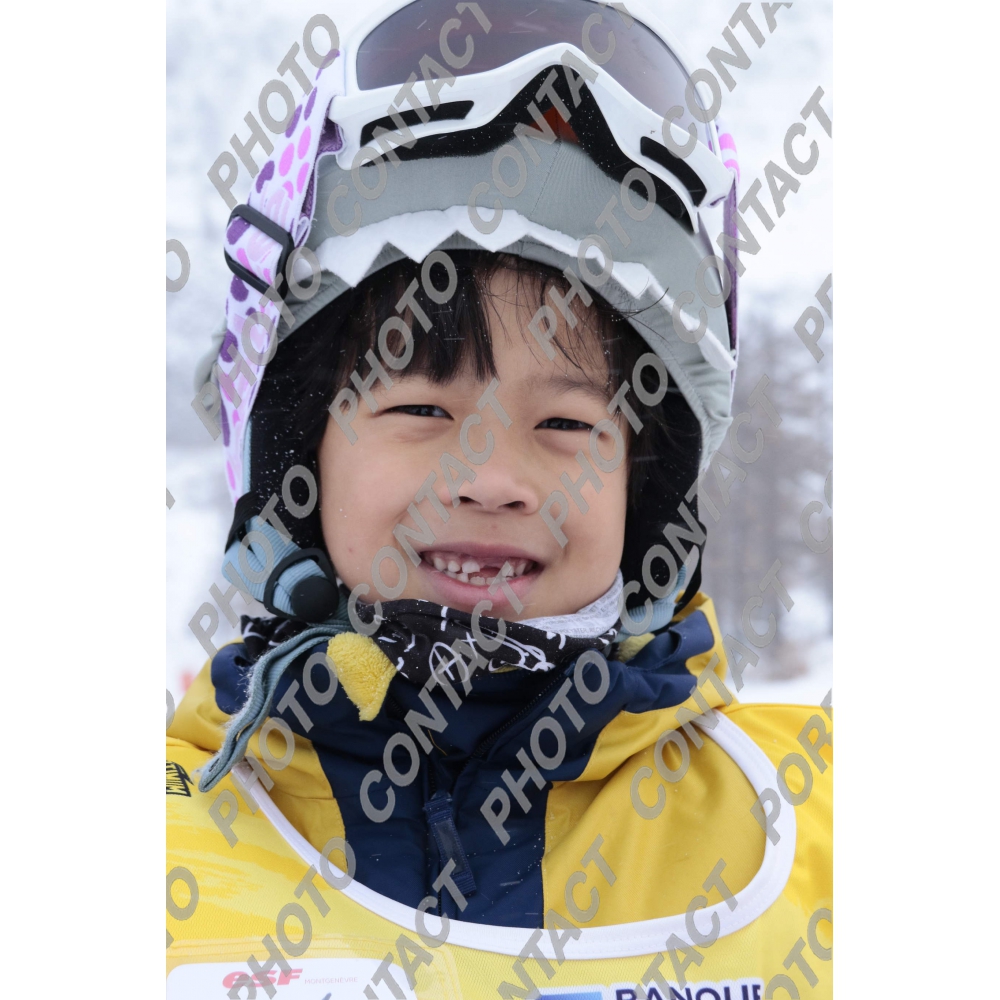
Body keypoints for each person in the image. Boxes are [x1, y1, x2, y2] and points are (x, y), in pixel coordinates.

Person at [167, 1, 832, 996]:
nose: (490, 478)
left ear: (645, 485)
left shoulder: (816, 830)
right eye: (421, 408)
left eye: (564, 422)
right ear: (300, 458)